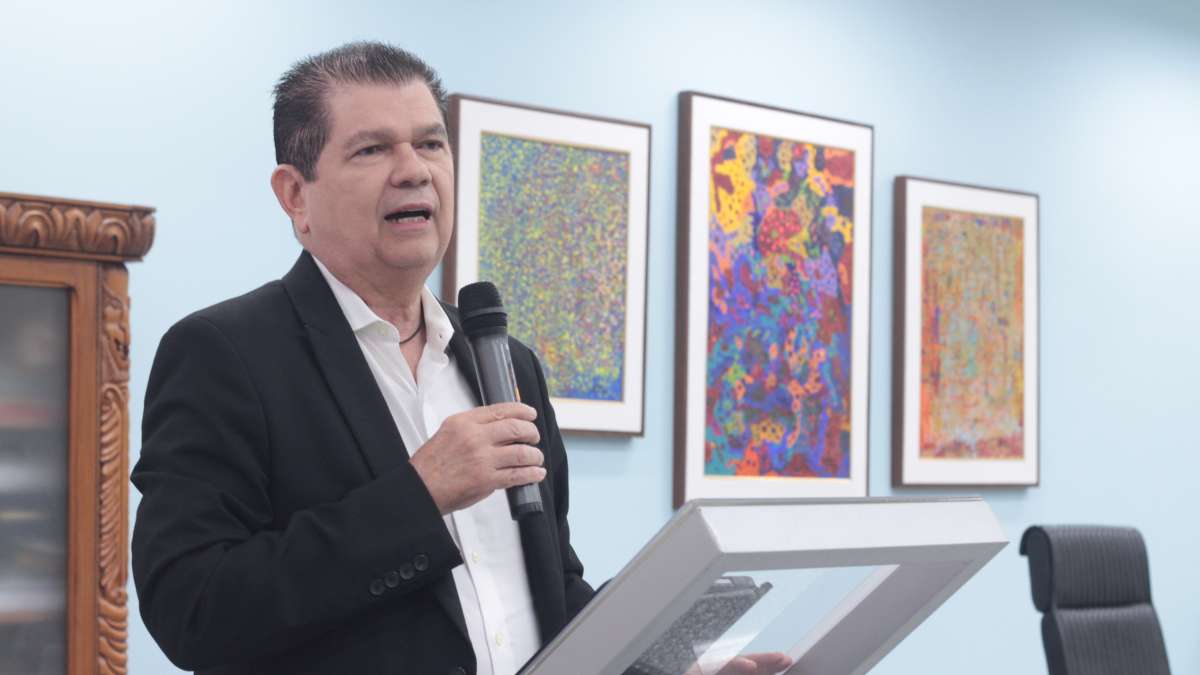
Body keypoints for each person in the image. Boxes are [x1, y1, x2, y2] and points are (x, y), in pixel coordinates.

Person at [132, 41, 790, 675]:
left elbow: (547, 592)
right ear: (295, 195)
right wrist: (419, 493)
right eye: (372, 149)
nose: (414, 169)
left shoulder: (508, 364)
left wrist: (658, 665)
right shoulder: (225, 354)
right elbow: (191, 608)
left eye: (430, 143)